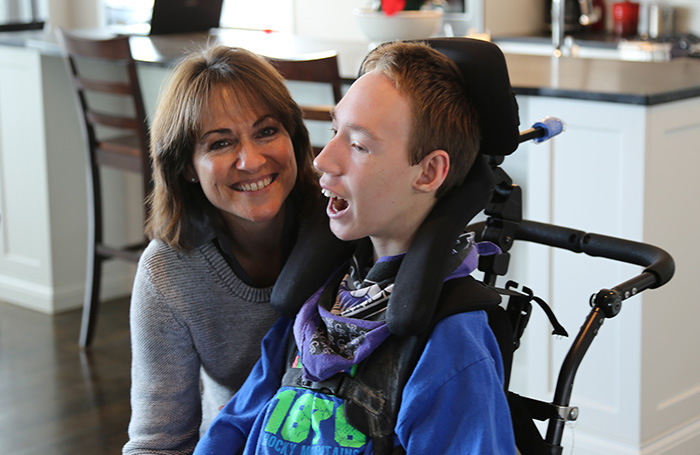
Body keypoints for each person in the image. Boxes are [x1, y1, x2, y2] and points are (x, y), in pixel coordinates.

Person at [193, 41, 516, 454]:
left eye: (359, 145)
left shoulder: (451, 348)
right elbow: (233, 429)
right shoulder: (316, 304)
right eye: (333, 132)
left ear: (429, 171)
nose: (323, 160)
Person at [123, 45, 330, 454]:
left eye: (267, 131)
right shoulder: (167, 273)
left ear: (294, 136)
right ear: (186, 167)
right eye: (220, 144)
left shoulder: (346, 226)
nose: (251, 160)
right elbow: (158, 442)